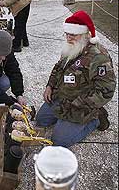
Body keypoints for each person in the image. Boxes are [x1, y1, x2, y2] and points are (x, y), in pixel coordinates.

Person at [36, 10, 116, 148]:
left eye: (73, 34)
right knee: (41, 120)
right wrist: (49, 86)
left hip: (80, 104)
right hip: (62, 97)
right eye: (67, 34)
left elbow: (106, 91)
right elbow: (58, 67)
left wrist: (78, 103)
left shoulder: (98, 57)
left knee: (59, 141)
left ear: (86, 34)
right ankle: (65, 118)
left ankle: (97, 118)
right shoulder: (72, 47)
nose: (68, 38)